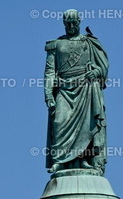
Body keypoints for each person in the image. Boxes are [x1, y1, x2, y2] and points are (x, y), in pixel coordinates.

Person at [44, 9, 108, 174]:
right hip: (64, 89)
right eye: (68, 24)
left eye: (74, 23)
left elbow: (103, 67)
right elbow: (50, 72)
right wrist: (49, 95)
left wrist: (96, 72)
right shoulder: (56, 45)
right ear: (64, 24)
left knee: (87, 127)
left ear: (79, 22)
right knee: (59, 121)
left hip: (85, 89)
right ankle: (59, 161)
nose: (71, 26)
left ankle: (83, 159)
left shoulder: (89, 43)